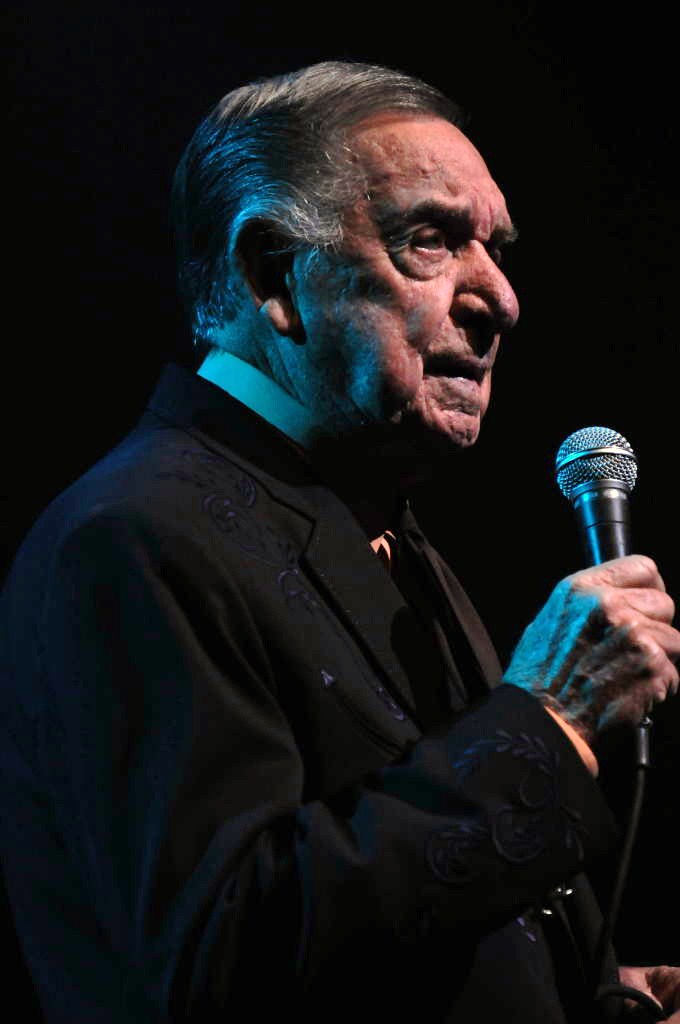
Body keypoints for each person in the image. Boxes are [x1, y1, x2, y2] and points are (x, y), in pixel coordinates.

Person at [1, 60, 678, 1023]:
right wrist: (548, 719)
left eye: (496, 249)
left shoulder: (378, 524)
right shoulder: (131, 538)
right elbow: (223, 952)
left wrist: (590, 996)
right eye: (431, 239)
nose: (501, 298)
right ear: (273, 274)